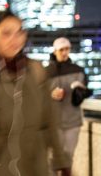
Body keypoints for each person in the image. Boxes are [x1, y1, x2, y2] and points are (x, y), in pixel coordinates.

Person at [0, 10, 70, 176]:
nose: (14, 40)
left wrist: (62, 163)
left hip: (34, 168)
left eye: (19, 32)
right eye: (6, 33)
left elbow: (50, 121)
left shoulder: (36, 72)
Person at [47, 37, 89, 171]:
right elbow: (36, 96)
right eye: (61, 50)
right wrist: (50, 94)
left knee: (68, 158)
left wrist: (81, 92)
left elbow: (84, 92)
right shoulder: (44, 72)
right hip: (52, 123)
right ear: (55, 51)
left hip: (72, 122)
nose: (65, 52)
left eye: (67, 49)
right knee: (52, 159)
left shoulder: (79, 70)